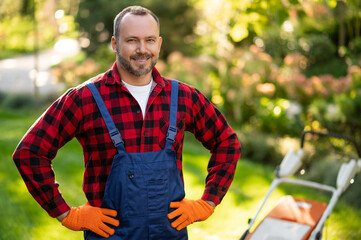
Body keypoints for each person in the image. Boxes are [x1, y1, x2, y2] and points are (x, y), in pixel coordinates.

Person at [13, 5, 241, 239]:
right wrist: (65, 214)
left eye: (150, 40)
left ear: (159, 44)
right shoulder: (85, 99)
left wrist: (208, 202)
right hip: (110, 235)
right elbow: (29, 153)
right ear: (114, 43)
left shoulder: (182, 96)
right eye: (132, 40)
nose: (142, 49)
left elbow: (227, 142)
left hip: (169, 234)